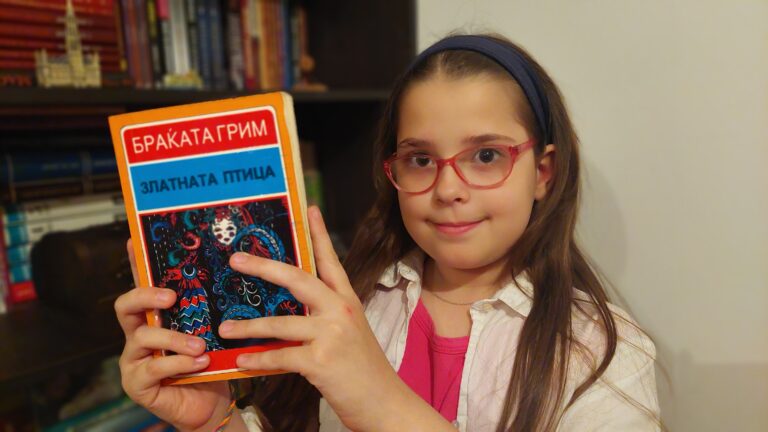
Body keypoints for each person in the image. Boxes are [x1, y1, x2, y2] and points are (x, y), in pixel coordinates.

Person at [115, 34, 660, 432]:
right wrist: (214, 420)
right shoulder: (352, 303)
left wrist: (379, 399)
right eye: (421, 160)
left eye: (486, 155)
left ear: (543, 172)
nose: (448, 189)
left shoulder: (604, 355)